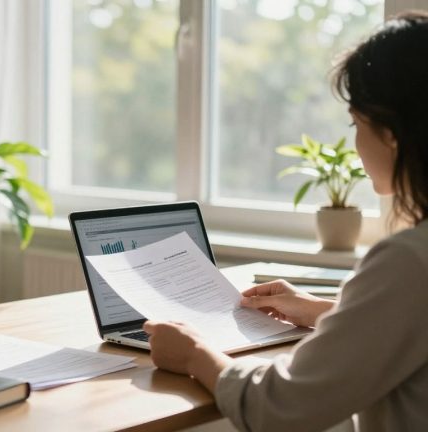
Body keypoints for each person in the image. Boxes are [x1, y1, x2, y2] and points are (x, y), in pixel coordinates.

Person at [143, 11, 428, 432]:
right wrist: (321, 311)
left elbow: (281, 407)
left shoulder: (408, 262)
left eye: (357, 123)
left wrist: (194, 354)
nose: (354, 142)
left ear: (390, 132)